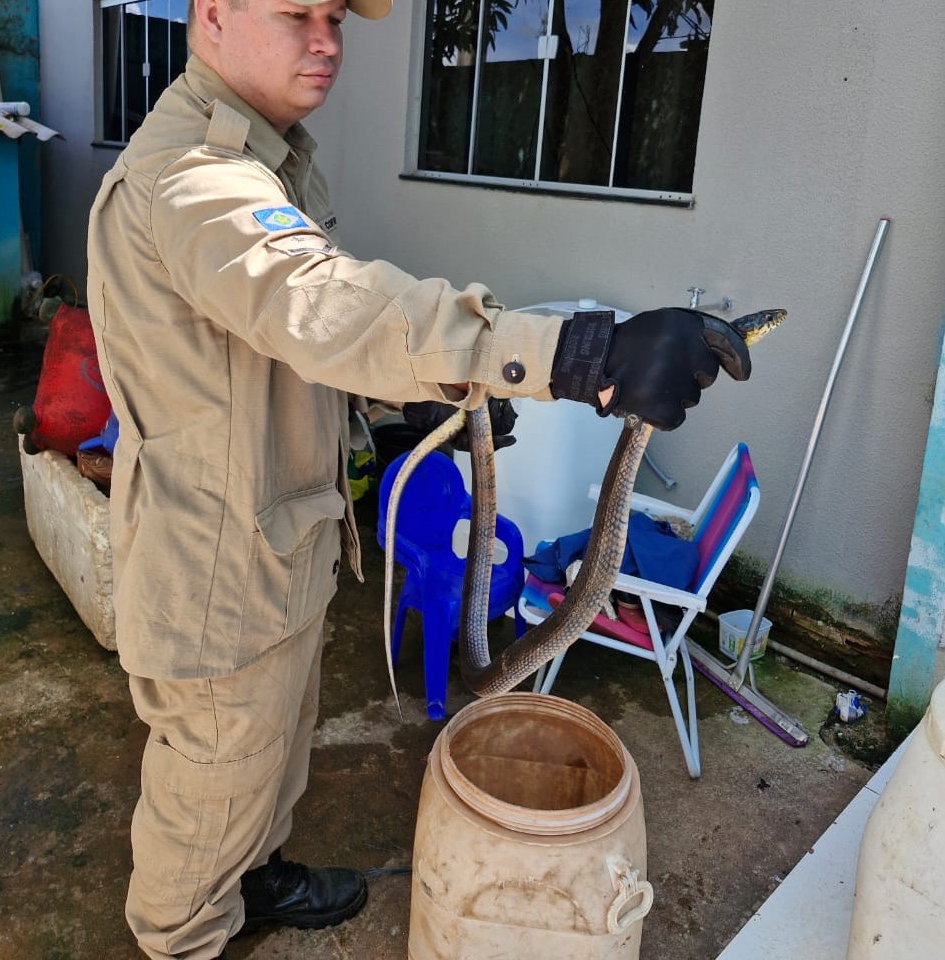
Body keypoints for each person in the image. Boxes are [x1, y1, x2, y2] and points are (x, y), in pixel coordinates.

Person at [85, 1, 751, 957]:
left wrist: (425, 405)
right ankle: (184, 933)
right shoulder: (194, 182)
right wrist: (573, 353)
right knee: (212, 778)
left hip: (270, 547)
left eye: (333, 18)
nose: (325, 40)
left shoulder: (263, 160)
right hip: (217, 572)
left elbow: (269, 354)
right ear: (212, 16)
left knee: (263, 759)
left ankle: (256, 875)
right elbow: (319, 304)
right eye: (295, 13)